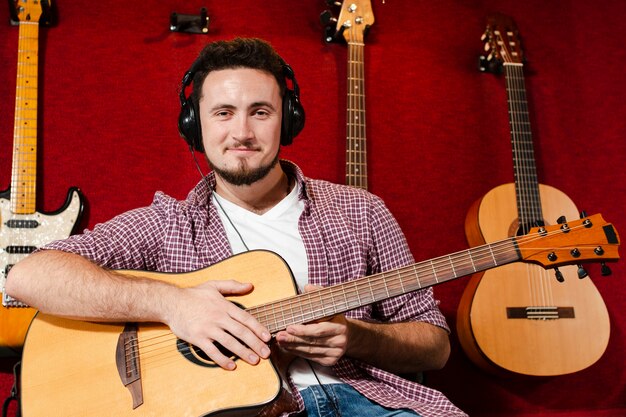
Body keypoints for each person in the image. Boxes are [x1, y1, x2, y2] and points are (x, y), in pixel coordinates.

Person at [6, 38, 466, 417]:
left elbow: (434, 346)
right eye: (223, 112)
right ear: (195, 126)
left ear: (288, 120)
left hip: (369, 403)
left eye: (260, 112)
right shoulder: (170, 223)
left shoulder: (361, 211)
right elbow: (29, 276)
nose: (242, 132)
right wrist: (172, 304)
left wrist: (360, 337)